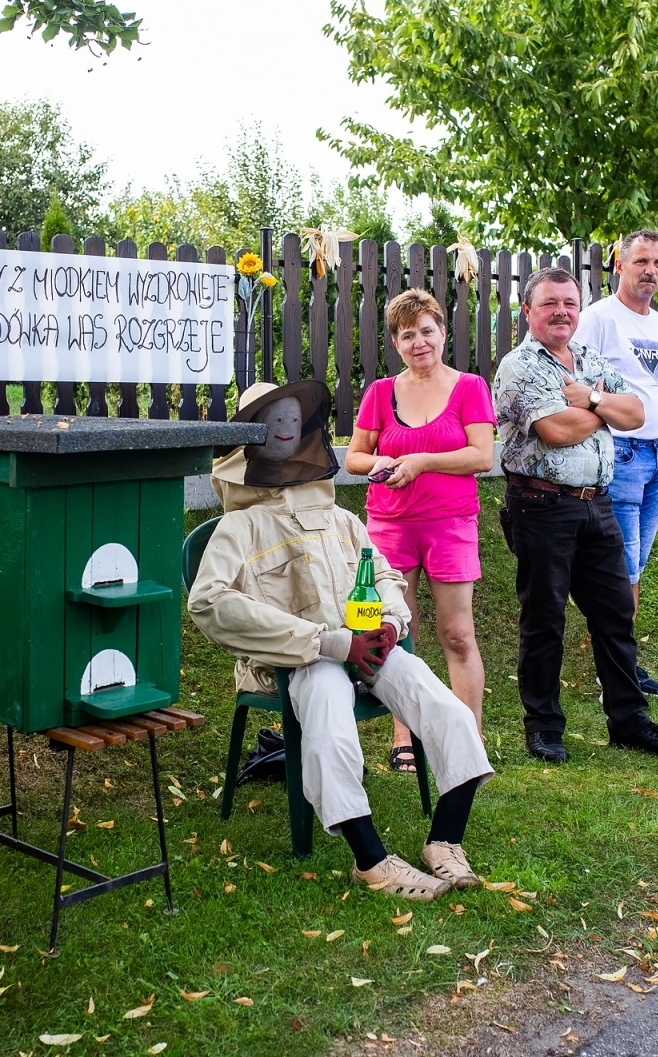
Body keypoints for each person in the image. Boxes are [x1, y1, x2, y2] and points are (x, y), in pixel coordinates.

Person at [189, 380, 494, 900]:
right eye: (273, 422)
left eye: (293, 420)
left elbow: (384, 576)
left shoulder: (339, 519)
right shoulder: (239, 528)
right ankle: (371, 862)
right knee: (330, 716)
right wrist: (328, 644)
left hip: (366, 651)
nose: (286, 430)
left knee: (445, 707)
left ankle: (445, 840)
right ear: (252, 437)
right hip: (296, 664)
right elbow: (210, 603)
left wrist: (390, 624)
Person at [493, 268, 658, 763]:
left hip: (596, 504)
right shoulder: (519, 366)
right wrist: (603, 408)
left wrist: (592, 398)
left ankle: (629, 721)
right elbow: (556, 430)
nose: (562, 312)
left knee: (615, 614)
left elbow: (638, 413)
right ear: (527, 311)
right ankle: (543, 727)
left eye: (570, 303)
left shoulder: (589, 359)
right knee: (544, 619)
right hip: (540, 506)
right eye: (549, 303)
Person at [346, 288, 494, 774]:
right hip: (389, 525)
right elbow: (354, 457)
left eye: (427, 331)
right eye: (407, 335)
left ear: (443, 333)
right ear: (396, 343)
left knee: (457, 633)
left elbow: (481, 455)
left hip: (450, 523)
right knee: (396, 630)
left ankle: (468, 737)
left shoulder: (470, 387)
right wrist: (381, 463)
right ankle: (403, 734)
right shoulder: (380, 392)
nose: (419, 342)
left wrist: (422, 461)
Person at [580, 229, 658, 696]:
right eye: (641, 262)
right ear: (619, 264)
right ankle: (615, 675)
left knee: (634, 567)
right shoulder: (599, 318)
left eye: (657, 263)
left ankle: (622, 665)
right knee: (620, 570)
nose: (650, 271)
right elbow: (576, 380)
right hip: (621, 453)